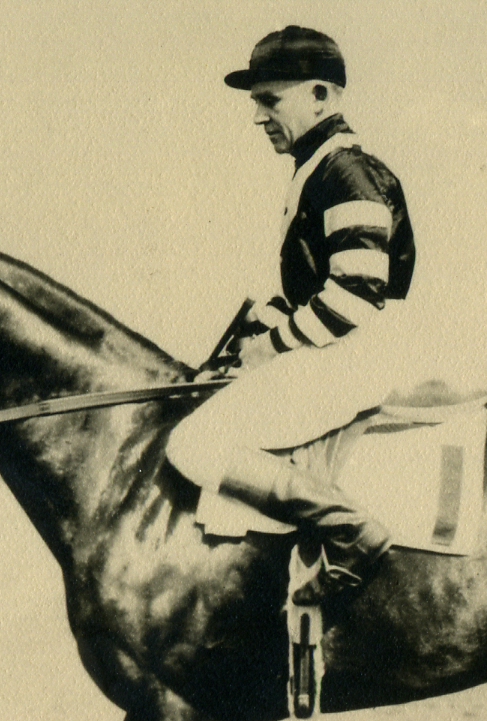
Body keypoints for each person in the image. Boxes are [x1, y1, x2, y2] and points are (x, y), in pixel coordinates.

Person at [163, 26, 416, 619]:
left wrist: (272, 345)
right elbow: (314, 290)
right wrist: (259, 331)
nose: (258, 116)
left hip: (354, 355)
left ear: (322, 95)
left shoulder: (347, 172)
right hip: (336, 349)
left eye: (270, 100)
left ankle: (352, 530)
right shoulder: (317, 168)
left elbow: (355, 294)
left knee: (194, 442)